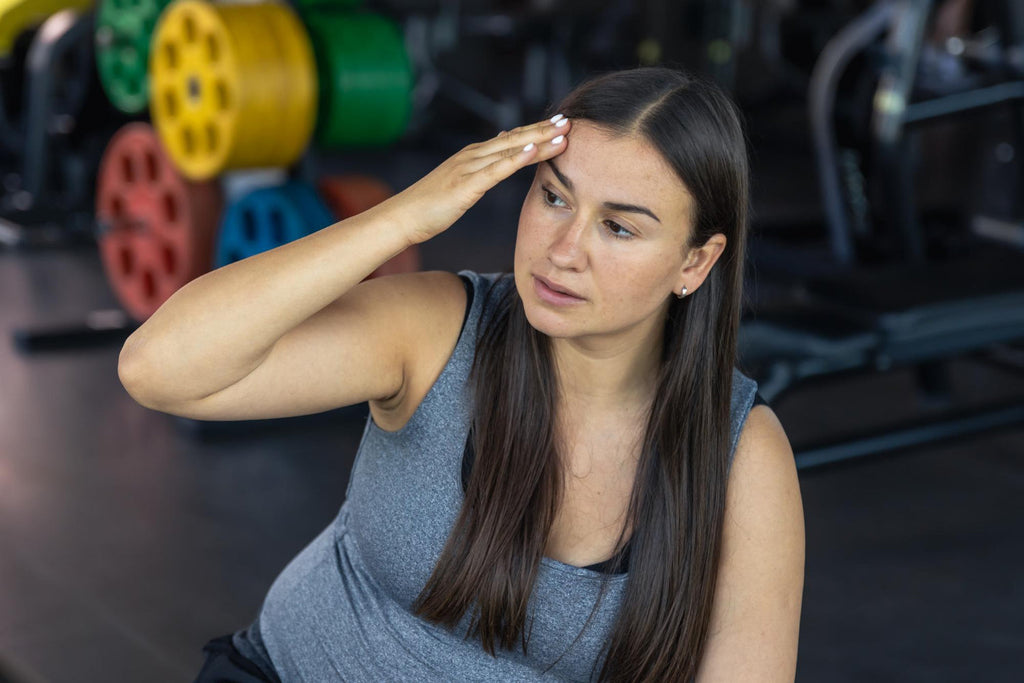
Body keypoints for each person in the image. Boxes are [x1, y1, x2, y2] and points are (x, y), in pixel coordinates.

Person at [119, 66, 804, 682]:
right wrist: (403, 217)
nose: (564, 250)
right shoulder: (441, 330)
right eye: (555, 198)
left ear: (695, 263)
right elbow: (160, 369)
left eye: (619, 228)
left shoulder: (741, 456)